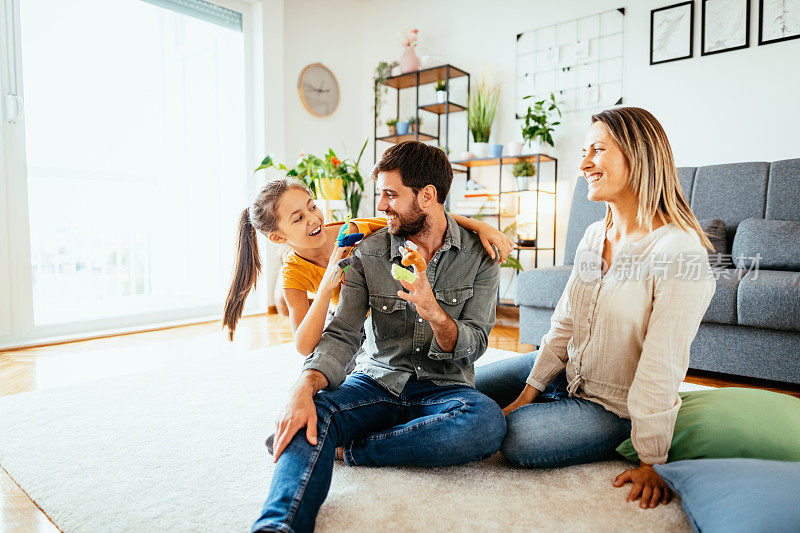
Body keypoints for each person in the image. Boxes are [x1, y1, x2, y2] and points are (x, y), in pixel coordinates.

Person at [251, 141, 506, 532]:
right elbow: (341, 334)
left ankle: (348, 450)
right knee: (308, 416)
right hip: (377, 380)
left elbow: (476, 344)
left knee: (486, 422)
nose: (382, 205)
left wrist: (433, 311)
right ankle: (278, 526)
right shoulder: (366, 250)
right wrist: (304, 384)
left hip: (444, 386)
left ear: (427, 196)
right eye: (380, 194)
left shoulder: (481, 256)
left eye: (390, 194)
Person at [475, 107, 716, 510]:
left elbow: (663, 363)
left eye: (597, 150)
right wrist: (527, 394)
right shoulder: (593, 235)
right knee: (464, 386)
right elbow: (565, 323)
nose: (584, 163)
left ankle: (609, 437)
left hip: (614, 406)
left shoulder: (678, 251)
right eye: (583, 152)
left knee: (517, 438)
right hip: (566, 373)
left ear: (637, 156)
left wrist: (653, 459)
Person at [221, 177, 514, 355]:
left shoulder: (355, 230)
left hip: (388, 316)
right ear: (278, 236)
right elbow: (303, 346)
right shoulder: (293, 275)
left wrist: (480, 226)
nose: (313, 218)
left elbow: (424, 216)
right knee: (323, 370)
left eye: (311, 206)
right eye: (297, 218)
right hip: (350, 323)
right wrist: (326, 287)